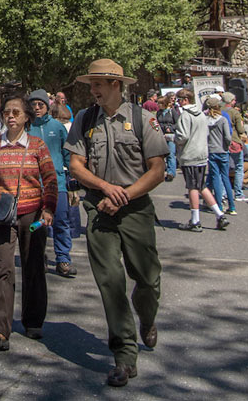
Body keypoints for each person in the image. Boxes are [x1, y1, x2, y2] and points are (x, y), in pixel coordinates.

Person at [65, 59, 168, 388]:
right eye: (91, 84)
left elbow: (156, 170)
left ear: (116, 85)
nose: (92, 90)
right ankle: (124, 356)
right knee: (110, 281)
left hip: (135, 209)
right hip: (99, 208)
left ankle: (147, 319)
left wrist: (122, 194)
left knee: (148, 279)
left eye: (98, 84)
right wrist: (104, 188)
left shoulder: (143, 119)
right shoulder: (85, 119)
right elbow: (76, 166)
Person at [0, 93, 57, 350]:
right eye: (7, 112)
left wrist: (48, 209)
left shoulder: (38, 145)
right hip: (2, 215)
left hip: (33, 215)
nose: (10, 116)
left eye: (16, 112)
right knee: (3, 266)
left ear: (27, 117)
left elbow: (50, 180)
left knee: (33, 264)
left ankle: (33, 321)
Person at [27, 90, 76, 278]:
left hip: (57, 183)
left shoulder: (57, 126)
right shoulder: (26, 128)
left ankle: (63, 259)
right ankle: (39, 257)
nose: (37, 108)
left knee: (61, 221)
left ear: (47, 106)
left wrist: (72, 176)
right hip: (32, 184)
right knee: (36, 225)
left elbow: (67, 153)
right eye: (33, 105)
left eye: (40, 104)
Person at [174, 89, 229, 231]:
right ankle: (220, 214)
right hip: (202, 153)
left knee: (192, 186)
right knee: (201, 186)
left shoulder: (185, 115)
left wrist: (173, 138)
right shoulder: (200, 114)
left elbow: (183, 136)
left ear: (185, 100)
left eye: (179, 99)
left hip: (190, 154)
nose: (178, 102)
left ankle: (195, 220)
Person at [205, 95, 235, 214]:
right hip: (223, 150)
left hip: (212, 150)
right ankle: (232, 206)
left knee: (215, 177)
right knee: (225, 178)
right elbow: (227, 137)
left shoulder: (206, 120)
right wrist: (227, 146)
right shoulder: (222, 119)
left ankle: (219, 206)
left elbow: (206, 136)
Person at [221, 92, 247, 202]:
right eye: (233, 100)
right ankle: (238, 193)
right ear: (230, 101)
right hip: (235, 142)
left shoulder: (218, 111)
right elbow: (241, 130)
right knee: (239, 168)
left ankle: (223, 193)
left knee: (224, 169)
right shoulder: (235, 112)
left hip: (221, 143)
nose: (235, 102)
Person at [156, 93, 178, 182]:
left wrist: (171, 128)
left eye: (160, 104)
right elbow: (156, 122)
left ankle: (171, 173)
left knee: (171, 154)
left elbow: (178, 123)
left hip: (171, 135)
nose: (158, 105)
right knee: (162, 155)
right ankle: (161, 172)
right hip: (162, 135)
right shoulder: (159, 112)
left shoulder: (172, 111)